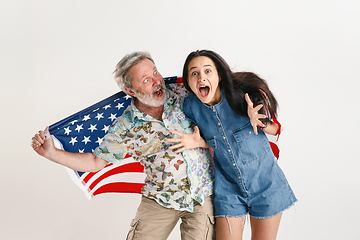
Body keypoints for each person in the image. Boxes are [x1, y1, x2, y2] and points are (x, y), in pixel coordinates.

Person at [31, 51, 215, 240]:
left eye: (155, 72)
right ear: (131, 91)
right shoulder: (125, 125)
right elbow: (95, 162)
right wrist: (51, 153)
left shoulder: (185, 93)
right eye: (145, 80)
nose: (157, 81)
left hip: (202, 195)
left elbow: (220, 109)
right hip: (160, 199)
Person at [165, 50, 297, 240]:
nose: (201, 77)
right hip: (228, 189)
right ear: (189, 82)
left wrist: (259, 121)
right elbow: (217, 140)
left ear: (218, 76)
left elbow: (276, 130)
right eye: (194, 73)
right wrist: (199, 141)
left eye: (207, 71)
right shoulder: (191, 106)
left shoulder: (244, 97)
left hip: (266, 184)